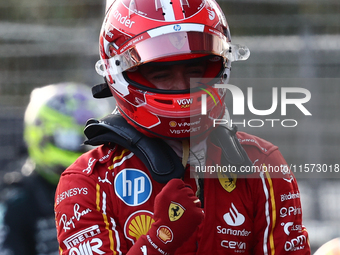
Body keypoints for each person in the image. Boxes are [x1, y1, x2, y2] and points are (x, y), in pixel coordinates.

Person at [54, 0, 311, 254]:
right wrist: (161, 239)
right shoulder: (88, 181)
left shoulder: (262, 165)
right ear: (118, 73)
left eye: (195, 70)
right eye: (161, 74)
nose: (182, 87)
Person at [0, 83, 111, 255]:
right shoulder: (18, 202)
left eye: (86, 138)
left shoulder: (106, 186)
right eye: (70, 137)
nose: (80, 147)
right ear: (41, 134)